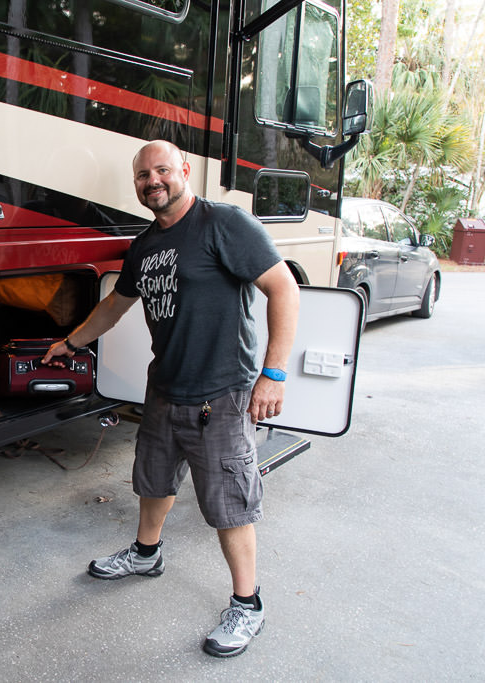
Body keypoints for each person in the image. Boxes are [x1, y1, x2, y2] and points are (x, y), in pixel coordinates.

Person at [42, 140, 299, 658]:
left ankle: (248, 605)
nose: (152, 181)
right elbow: (115, 306)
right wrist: (70, 342)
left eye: (162, 170)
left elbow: (284, 288)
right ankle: (146, 554)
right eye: (142, 175)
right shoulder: (143, 246)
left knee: (229, 503)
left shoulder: (223, 224)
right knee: (153, 479)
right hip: (165, 386)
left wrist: (273, 374)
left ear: (185, 171)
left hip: (221, 392)